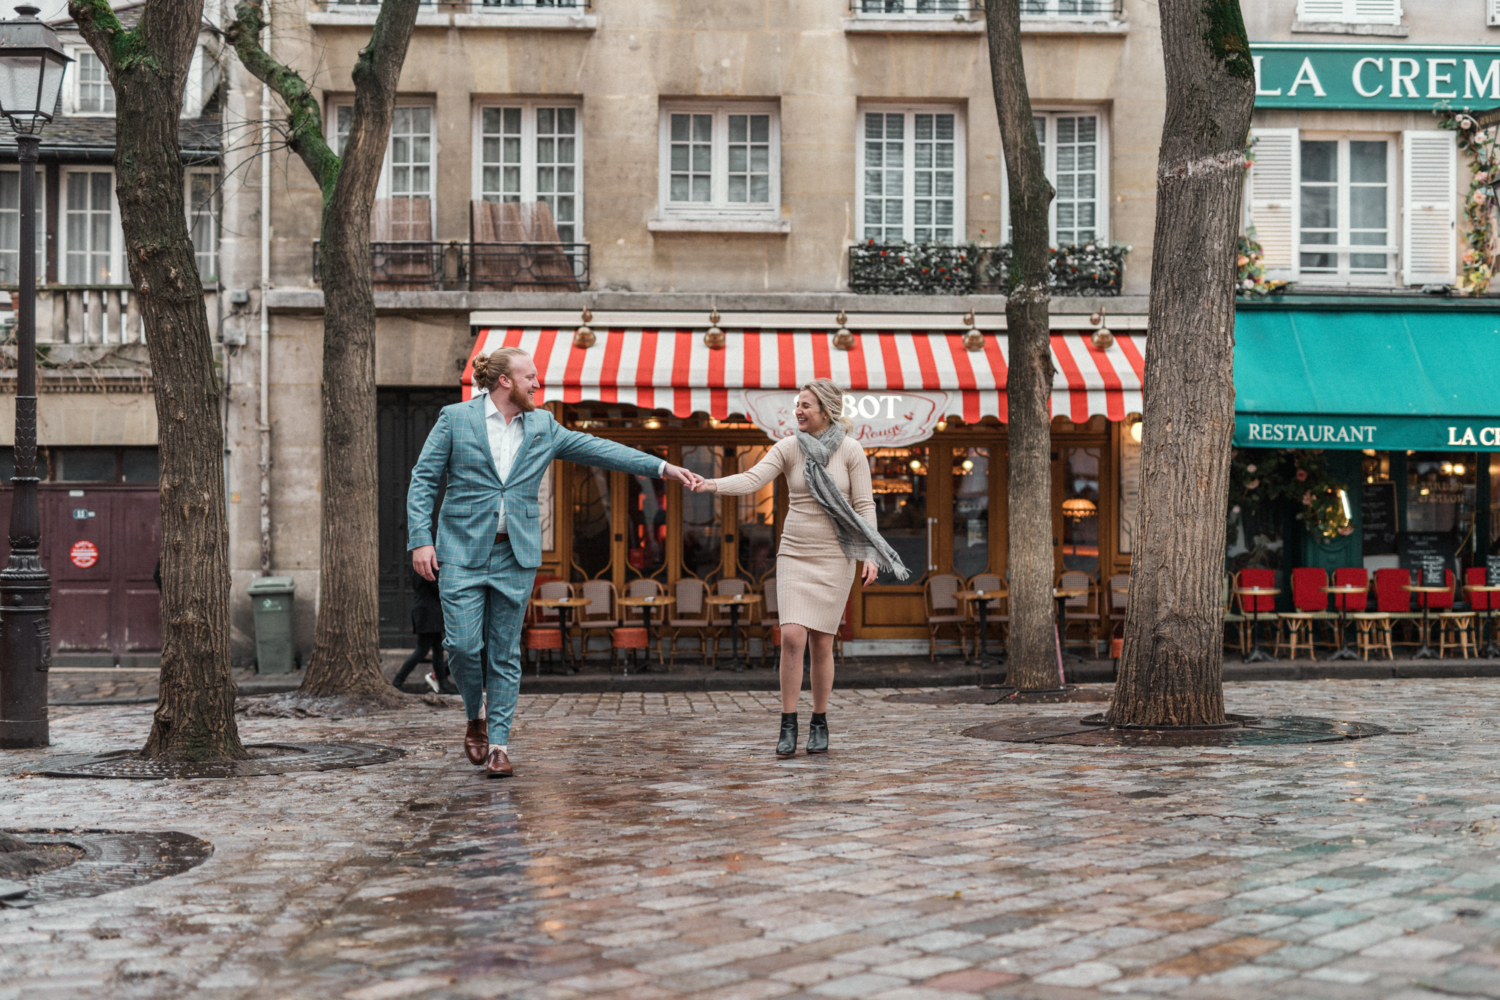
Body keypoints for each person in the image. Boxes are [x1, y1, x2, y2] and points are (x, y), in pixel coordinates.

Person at [407, 347, 701, 778]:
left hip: (515, 553)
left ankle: (500, 746)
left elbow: (599, 449)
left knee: (505, 652)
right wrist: (420, 539)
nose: (538, 384)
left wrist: (661, 467)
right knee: (463, 646)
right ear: (505, 381)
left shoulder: (543, 425)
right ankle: (476, 715)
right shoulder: (455, 419)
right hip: (462, 552)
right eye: (530, 377)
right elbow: (423, 479)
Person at [694, 379, 907, 757]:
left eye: (805, 405)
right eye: (797, 405)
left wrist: (871, 554)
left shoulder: (851, 451)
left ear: (825, 410)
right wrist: (710, 484)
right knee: (792, 636)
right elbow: (751, 479)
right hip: (794, 551)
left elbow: (865, 505)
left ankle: (820, 720)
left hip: (835, 555)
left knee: (822, 642)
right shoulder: (789, 447)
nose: (798, 411)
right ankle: (788, 722)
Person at [392, 564, 457, 694]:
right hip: (427, 613)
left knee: (437, 649)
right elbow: (437, 586)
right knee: (422, 650)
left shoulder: (417, 564)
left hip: (427, 611)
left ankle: (443, 683)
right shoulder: (426, 565)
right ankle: (397, 681)